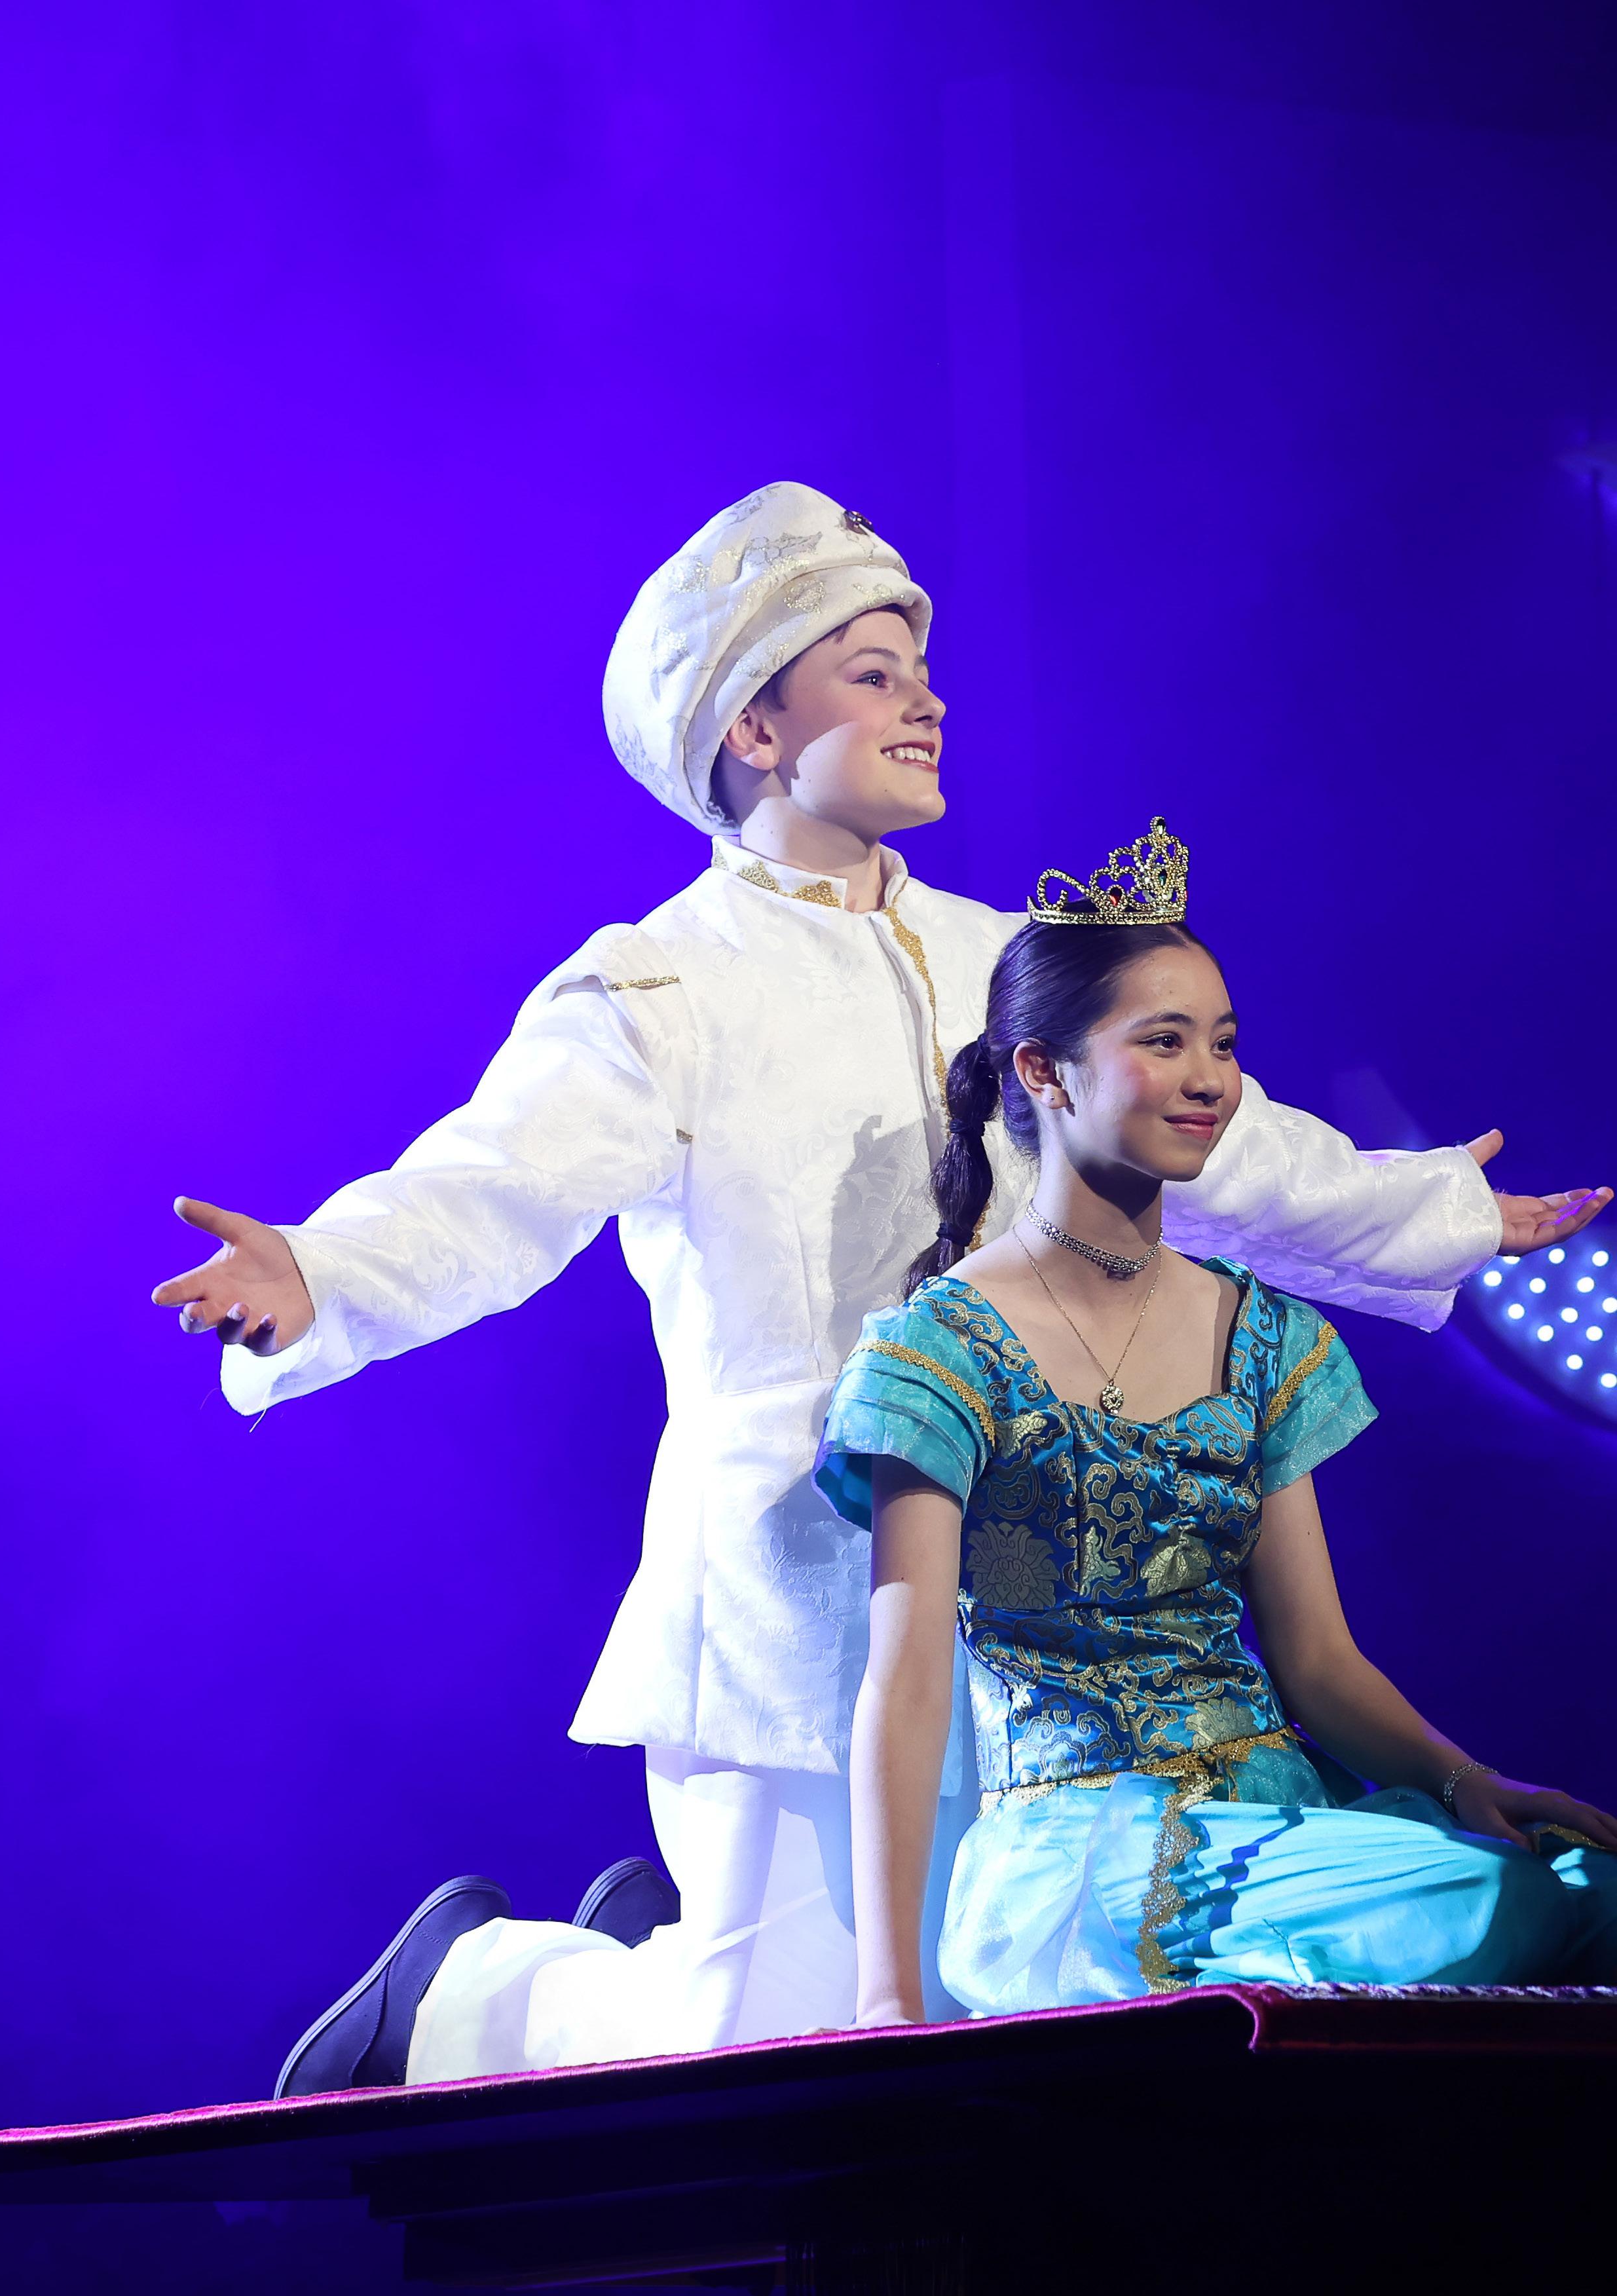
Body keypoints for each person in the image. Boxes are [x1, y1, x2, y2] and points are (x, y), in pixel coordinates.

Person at [151, 487, 1607, 2089]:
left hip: (1018, 1588)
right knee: (763, 2048)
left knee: (977, 2018)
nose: (926, 700)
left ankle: (680, 1945)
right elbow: (496, 1184)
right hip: (792, 1576)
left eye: (923, 668)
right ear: (755, 727)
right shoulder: (661, 985)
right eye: (870, 672)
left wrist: (1435, 1212)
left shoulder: (1005, 959)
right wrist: (323, 1272)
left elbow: (1232, 1149)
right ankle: (479, 1986)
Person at [819, 819, 1617, 2023]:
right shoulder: (940, 1352)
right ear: (1043, 1072)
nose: (1211, 1079)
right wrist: (886, 2000)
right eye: (1165, 1041)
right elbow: (908, 1682)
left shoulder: (1261, 1335)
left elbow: (1321, 1663)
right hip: (1083, 1858)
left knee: (1587, 1891)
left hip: (1276, 1824)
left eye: (1225, 1044)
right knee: (1493, 1908)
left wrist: (1468, 1781)